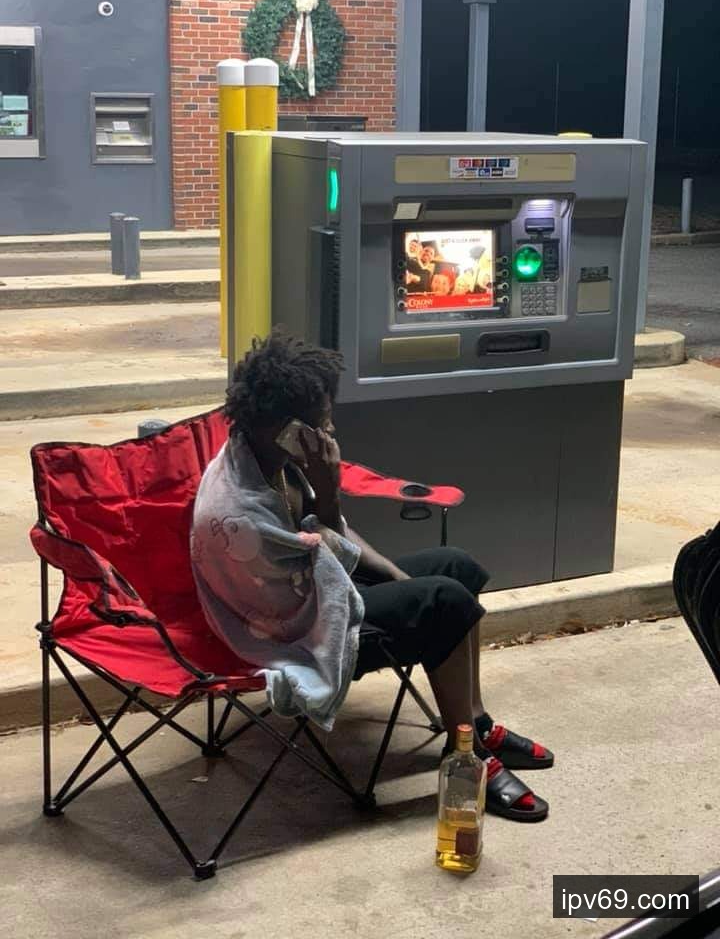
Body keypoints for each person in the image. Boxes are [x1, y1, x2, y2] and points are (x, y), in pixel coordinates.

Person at [192, 331, 553, 822]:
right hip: (291, 632)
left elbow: (328, 543)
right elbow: (321, 566)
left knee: (456, 567)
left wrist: (396, 576)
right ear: (287, 430)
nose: (331, 428)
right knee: (444, 602)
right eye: (322, 419)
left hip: (310, 586)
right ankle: (465, 759)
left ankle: (476, 723)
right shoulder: (242, 514)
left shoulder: (265, 456)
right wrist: (329, 492)